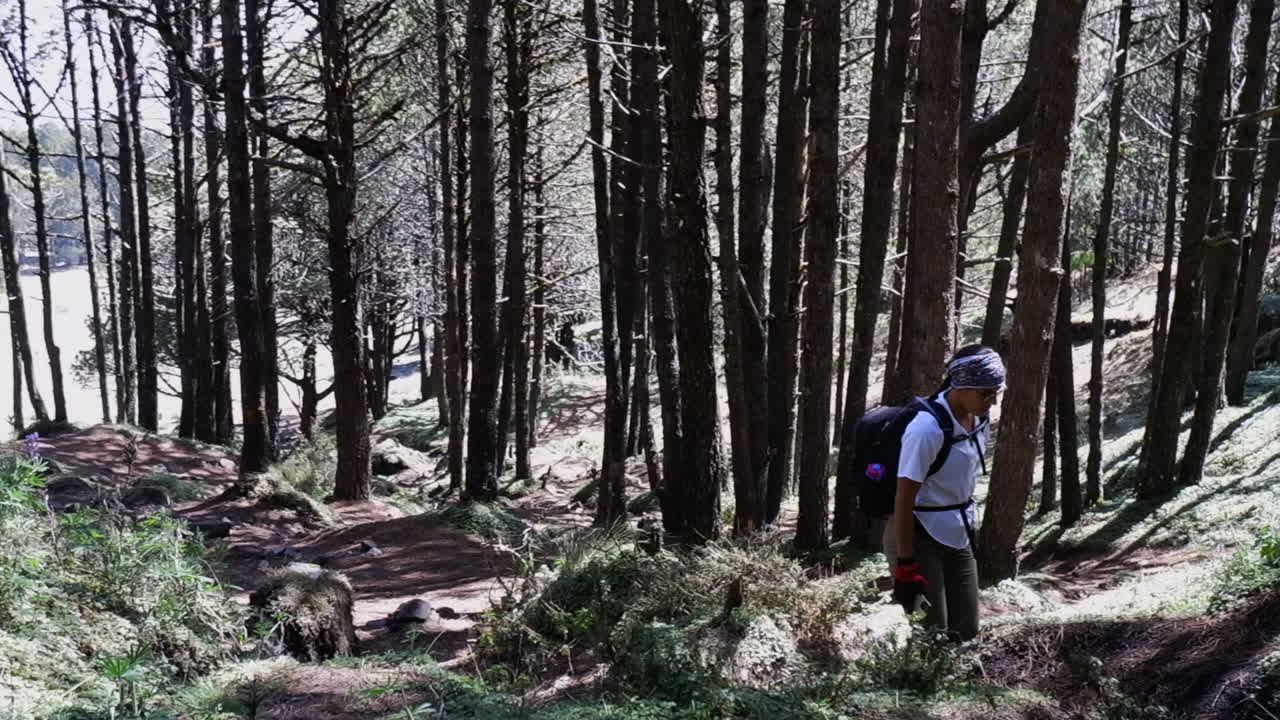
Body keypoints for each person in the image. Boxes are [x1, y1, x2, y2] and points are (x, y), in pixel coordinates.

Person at [883, 344, 1005, 641]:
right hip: (918, 534)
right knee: (932, 633)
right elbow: (903, 499)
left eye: (996, 392)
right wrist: (906, 564)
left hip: (958, 532)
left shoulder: (979, 422)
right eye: (985, 393)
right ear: (960, 386)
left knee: (967, 631)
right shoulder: (926, 430)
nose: (992, 400)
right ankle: (916, 686)